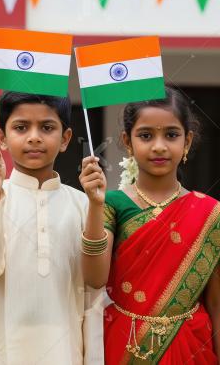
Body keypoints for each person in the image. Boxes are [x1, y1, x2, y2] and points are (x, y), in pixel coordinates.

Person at [81, 86, 220, 364]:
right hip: (127, 343)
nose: (159, 146)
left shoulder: (210, 212)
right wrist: (95, 206)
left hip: (192, 345)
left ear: (188, 142)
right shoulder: (112, 204)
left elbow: (216, 303)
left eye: (171, 135)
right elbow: (95, 279)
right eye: (146, 135)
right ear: (128, 142)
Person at [0, 92, 97, 364]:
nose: (34, 137)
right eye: (21, 127)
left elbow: (94, 291)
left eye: (47, 128)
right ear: (1, 138)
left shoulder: (82, 204)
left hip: (66, 352)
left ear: (65, 139)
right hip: (0, 354)